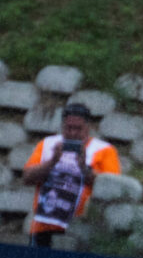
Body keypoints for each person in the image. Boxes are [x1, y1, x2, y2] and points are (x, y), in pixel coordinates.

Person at [21, 102, 122, 248]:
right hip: (43, 226)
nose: (73, 133)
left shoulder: (105, 150)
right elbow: (27, 177)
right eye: (69, 128)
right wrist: (52, 162)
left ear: (88, 127)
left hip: (80, 229)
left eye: (78, 129)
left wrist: (84, 168)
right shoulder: (48, 144)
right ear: (62, 126)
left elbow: (112, 189)